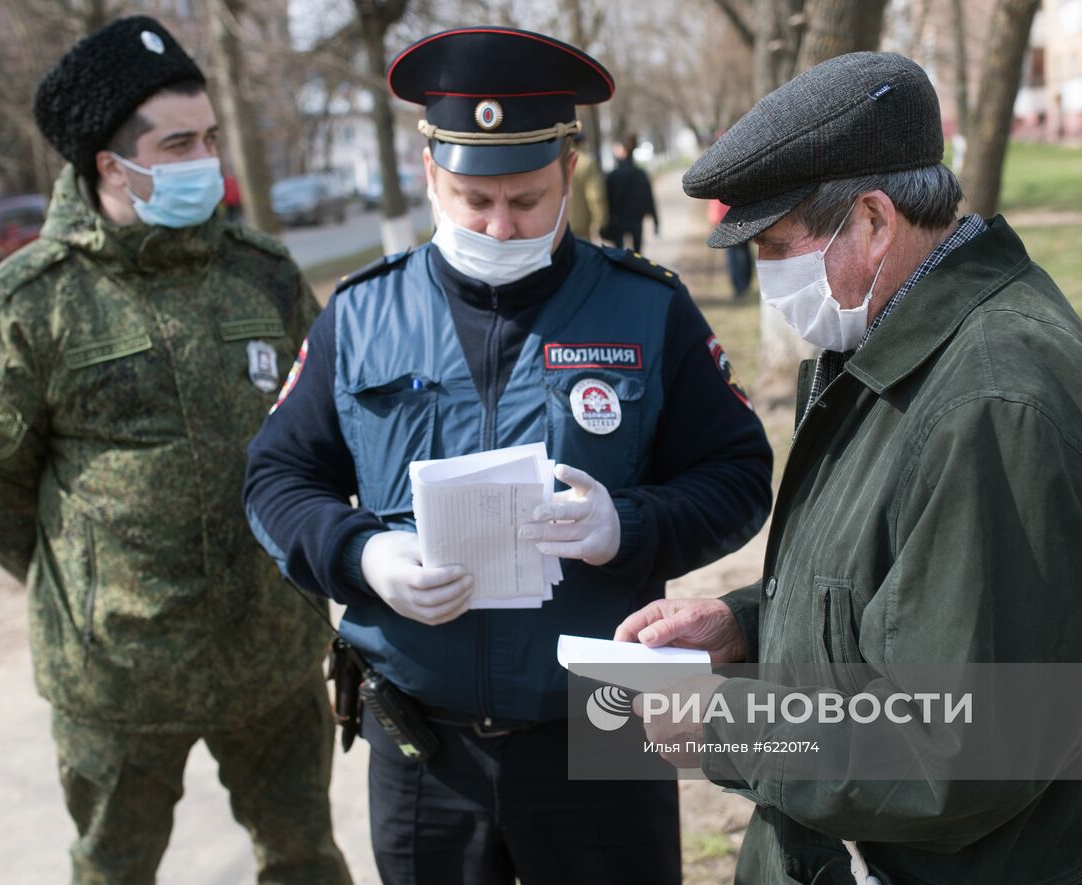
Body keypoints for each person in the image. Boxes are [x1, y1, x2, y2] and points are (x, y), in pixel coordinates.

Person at [243, 27, 773, 885]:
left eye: (525, 200)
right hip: (422, 740)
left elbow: (740, 476)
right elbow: (275, 478)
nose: (497, 224)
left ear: (569, 172)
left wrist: (624, 525)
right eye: (470, 199)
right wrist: (363, 554)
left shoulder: (647, 311)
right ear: (428, 177)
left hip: (607, 723)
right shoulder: (361, 315)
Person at [616, 52, 1082, 884]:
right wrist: (748, 627)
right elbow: (913, 592)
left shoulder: (994, 403)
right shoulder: (898, 347)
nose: (768, 280)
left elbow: (955, 744)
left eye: (778, 246)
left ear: (872, 220)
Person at [0, 17, 352, 884]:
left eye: (209, 137)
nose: (206, 158)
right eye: (180, 142)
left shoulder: (262, 271)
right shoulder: (23, 306)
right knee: (113, 869)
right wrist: (85, 580)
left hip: (272, 655)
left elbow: (320, 429)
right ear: (110, 165)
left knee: (305, 859)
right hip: (118, 675)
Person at [604, 134, 658, 251]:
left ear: (622, 151)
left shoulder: (612, 176)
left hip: (618, 220)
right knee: (638, 253)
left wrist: (604, 221)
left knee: (619, 254)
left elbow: (606, 200)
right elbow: (649, 197)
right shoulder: (640, 174)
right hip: (636, 219)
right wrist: (655, 221)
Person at [568, 131, 607, 244]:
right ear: (582, 142)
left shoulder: (555, 162)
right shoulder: (587, 162)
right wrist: (599, 220)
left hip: (557, 225)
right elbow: (594, 195)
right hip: (581, 224)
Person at [708, 198, 751, 298]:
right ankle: (742, 285)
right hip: (738, 217)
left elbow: (714, 204)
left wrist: (713, 219)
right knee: (740, 252)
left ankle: (740, 285)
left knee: (735, 253)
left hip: (729, 218)